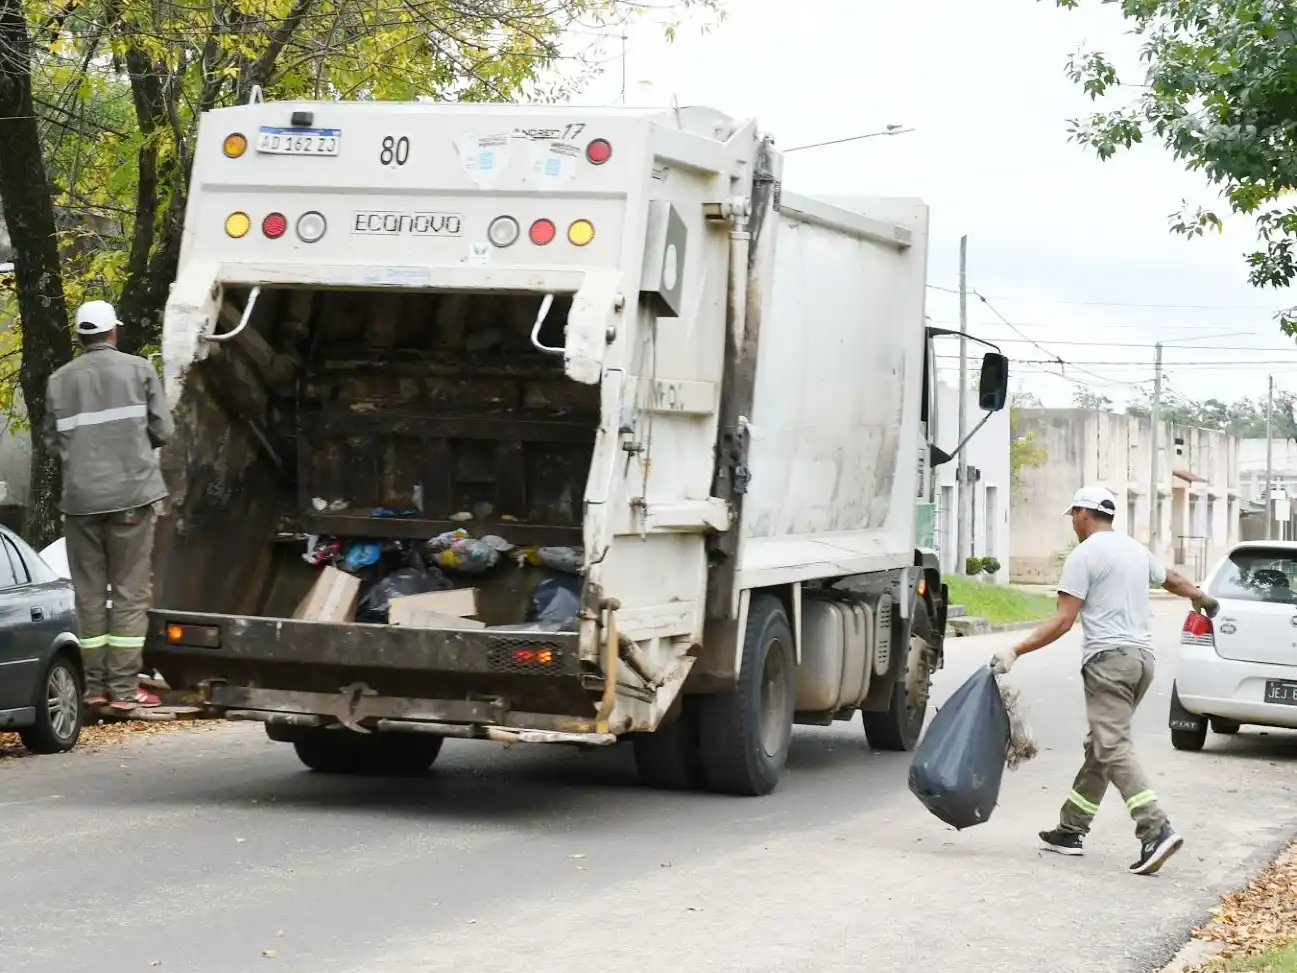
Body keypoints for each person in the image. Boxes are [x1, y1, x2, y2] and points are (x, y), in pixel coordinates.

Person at [990, 485, 1219, 876]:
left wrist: (1016, 651)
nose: (1073, 524)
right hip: (1142, 661)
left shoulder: (1084, 555)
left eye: (1074, 515)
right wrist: (1201, 597)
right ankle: (1070, 829)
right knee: (1101, 744)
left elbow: (1063, 621)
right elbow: (1173, 578)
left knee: (1111, 745)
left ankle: (1155, 828)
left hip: (1109, 662)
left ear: (1083, 512)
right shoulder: (1133, 549)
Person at [43, 300, 175, 712]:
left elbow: (52, 443)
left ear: (82, 337)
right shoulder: (139, 370)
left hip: (80, 503)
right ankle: (122, 690)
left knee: (89, 596)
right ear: (112, 333)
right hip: (131, 498)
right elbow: (164, 431)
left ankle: (95, 688)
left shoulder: (58, 380)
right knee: (130, 593)